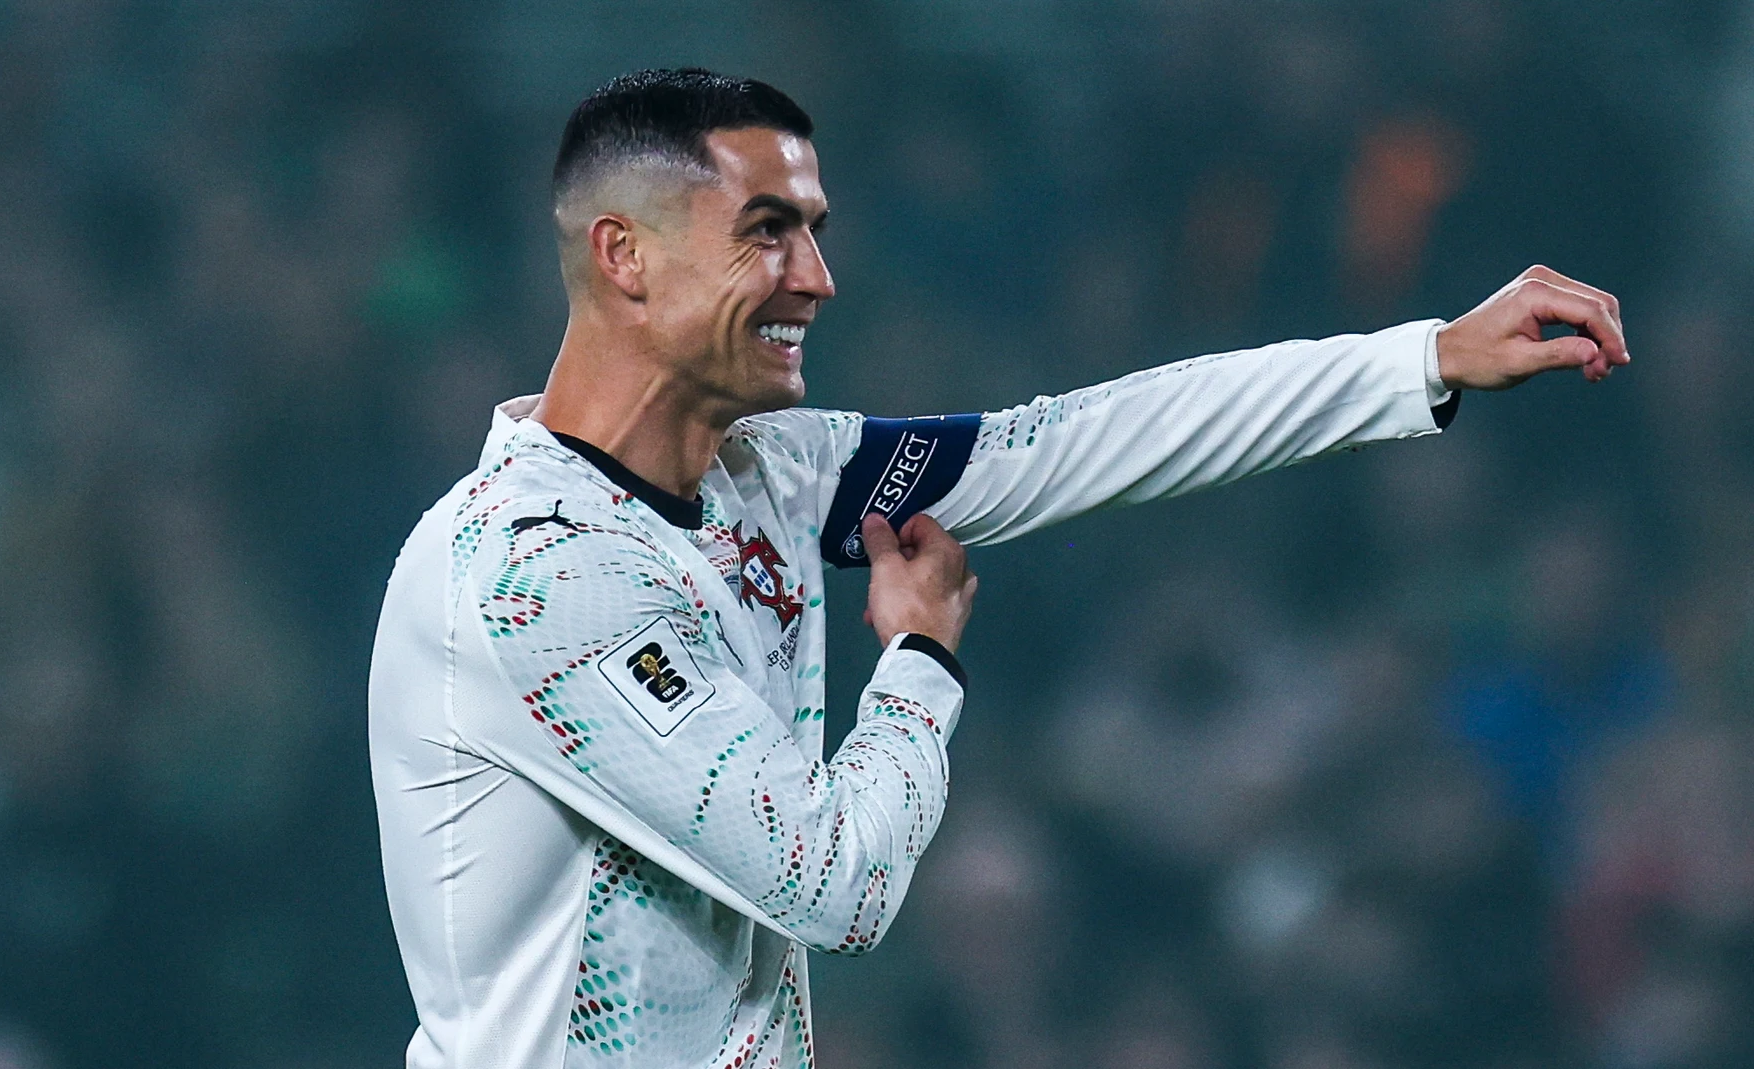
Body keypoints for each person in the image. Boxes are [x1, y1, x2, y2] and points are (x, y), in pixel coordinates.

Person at [367, 68, 1628, 1069]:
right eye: (768, 233)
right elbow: (832, 879)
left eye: (814, 230)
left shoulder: (774, 476)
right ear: (624, 257)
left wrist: (1421, 361)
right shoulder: (535, 574)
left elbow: (1075, 443)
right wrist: (918, 661)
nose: (818, 277)